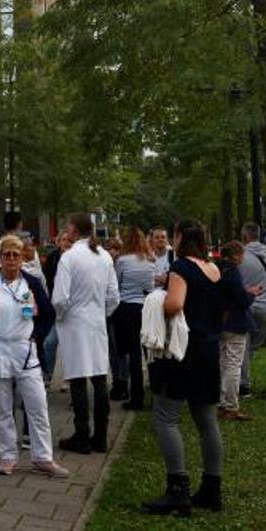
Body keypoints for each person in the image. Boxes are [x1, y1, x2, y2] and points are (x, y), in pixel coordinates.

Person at [141, 221, 227, 516]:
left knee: (166, 416)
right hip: (209, 350)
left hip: (182, 352)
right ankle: (212, 488)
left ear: (179, 239)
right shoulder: (214, 269)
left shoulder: (181, 268)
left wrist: (156, 301)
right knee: (207, 420)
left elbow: (174, 304)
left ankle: (178, 490)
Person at [0, 234, 67, 480]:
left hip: (25, 350)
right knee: (1, 408)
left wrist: (37, 336)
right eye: (6, 255)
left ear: (23, 258)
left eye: (16, 255)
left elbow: (47, 314)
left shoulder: (31, 282)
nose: (11, 260)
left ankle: (43, 457)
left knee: (37, 405)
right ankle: (8, 455)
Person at [52, 213, 119, 454]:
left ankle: (82, 435)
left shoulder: (69, 258)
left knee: (78, 380)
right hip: (96, 321)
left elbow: (60, 298)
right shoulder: (105, 257)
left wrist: (61, 317)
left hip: (75, 322)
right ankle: (100, 437)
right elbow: (114, 296)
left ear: (73, 229)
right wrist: (101, 313)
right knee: (100, 378)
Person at [112, 227, 155, 410]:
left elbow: (116, 284)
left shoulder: (122, 260)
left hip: (126, 307)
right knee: (149, 352)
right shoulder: (150, 261)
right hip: (145, 307)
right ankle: (155, 392)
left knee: (133, 355)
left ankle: (136, 397)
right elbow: (150, 286)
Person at [216, 241, 257, 421]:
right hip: (235, 323)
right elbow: (240, 299)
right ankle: (230, 405)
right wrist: (251, 294)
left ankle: (220, 401)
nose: (242, 259)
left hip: (219, 322)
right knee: (233, 365)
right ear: (235, 256)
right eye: (241, 255)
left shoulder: (216, 269)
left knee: (222, 363)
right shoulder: (233, 271)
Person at [237, 222, 266, 397]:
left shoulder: (240, 257)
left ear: (244, 236)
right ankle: (243, 381)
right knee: (251, 347)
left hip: (245, 306)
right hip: (264, 308)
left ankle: (243, 384)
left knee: (242, 346)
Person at [41, 231, 72, 385]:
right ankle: (47, 374)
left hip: (72, 308)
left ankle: (69, 377)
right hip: (54, 305)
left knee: (69, 344)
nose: (66, 242)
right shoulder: (52, 258)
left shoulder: (75, 259)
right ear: (59, 242)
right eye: (64, 240)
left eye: (69, 240)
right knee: (50, 342)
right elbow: (46, 280)